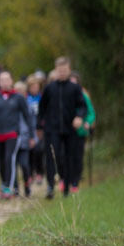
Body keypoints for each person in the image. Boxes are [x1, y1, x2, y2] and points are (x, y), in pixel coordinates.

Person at [37, 56, 87, 199]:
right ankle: (51, 186)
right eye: (59, 70)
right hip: (52, 129)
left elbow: (82, 106)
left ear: (69, 70)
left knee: (69, 157)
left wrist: (79, 117)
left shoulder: (75, 88)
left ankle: (67, 186)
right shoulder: (49, 88)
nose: (62, 73)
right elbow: (42, 107)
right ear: (56, 70)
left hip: (70, 129)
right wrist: (39, 125)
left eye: (64, 70)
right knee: (53, 157)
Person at [0, 70, 35, 199]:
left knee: (9, 158)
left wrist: (31, 135)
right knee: (1, 161)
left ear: (11, 81)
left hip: (13, 133)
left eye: (7, 79)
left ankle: (10, 187)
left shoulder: (18, 98)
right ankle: (4, 184)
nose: (4, 82)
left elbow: (27, 117)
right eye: (2, 80)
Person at [68, 71, 95, 192]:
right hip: (66, 131)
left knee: (77, 157)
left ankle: (75, 182)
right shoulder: (63, 95)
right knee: (66, 156)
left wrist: (87, 122)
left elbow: (91, 113)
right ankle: (66, 179)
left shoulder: (83, 95)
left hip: (80, 131)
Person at [13, 79, 35, 197]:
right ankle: (15, 188)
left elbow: (31, 123)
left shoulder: (28, 107)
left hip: (25, 140)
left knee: (25, 165)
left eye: (21, 92)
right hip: (12, 139)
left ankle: (27, 185)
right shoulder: (10, 105)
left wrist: (32, 137)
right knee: (13, 166)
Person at [25, 74, 46, 184]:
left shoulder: (42, 97)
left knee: (39, 151)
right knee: (30, 152)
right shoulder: (25, 98)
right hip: (29, 129)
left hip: (40, 128)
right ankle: (30, 173)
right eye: (32, 86)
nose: (34, 88)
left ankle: (40, 173)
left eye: (36, 86)